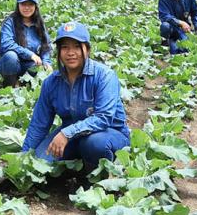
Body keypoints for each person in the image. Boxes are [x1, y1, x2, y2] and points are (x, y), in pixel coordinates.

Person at [21, 22, 130, 172]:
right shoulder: (51, 83)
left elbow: (104, 118)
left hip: (109, 133)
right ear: (58, 52)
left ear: (88, 50)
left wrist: (66, 133)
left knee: (94, 144)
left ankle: (96, 175)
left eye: (77, 46)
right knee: (40, 162)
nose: (70, 52)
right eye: (65, 47)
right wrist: (23, 158)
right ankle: (74, 165)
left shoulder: (104, 76)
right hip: (70, 136)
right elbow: (39, 124)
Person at [0, 0, 52, 86]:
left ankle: (22, 84)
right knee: (11, 57)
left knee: (39, 69)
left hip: (29, 65)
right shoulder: (10, 22)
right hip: (9, 64)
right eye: (23, 4)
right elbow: (6, 44)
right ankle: (9, 86)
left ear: (35, 7)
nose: (27, 8)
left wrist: (46, 62)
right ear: (18, 6)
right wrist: (30, 54)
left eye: (30, 5)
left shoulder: (39, 24)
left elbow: (46, 46)